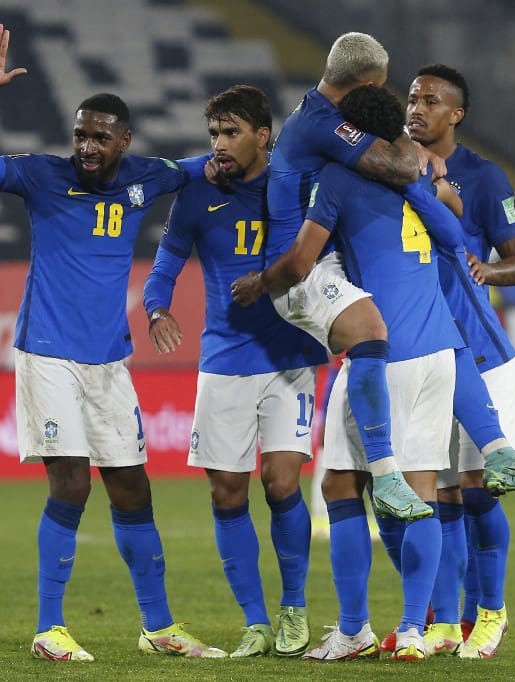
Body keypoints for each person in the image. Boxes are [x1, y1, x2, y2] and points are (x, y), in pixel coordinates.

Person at [0, 24, 224, 662]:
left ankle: (158, 628)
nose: (87, 146)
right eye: (80, 134)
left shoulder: (147, 178)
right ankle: (50, 628)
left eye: (100, 136)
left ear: (124, 141)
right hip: (47, 354)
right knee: (71, 484)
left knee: (132, 487)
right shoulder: (41, 177)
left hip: (109, 363)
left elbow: (203, 168)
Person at [245, 84, 468, 662]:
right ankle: (416, 631)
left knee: (342, 486)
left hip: (383, 350)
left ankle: (353, 630)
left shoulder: (342, 180)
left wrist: (259, 283)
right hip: (438, 352)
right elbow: (454, 237)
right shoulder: (414, 180)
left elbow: (300, 260)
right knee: (423, 491)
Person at [144, 85, 324, 658]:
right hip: (223, 359)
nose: (219, 145)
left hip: (288, 356)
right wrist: (156, 305)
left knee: (281, 483)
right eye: (214, 134)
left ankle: (293, 608)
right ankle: (255, 621)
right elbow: (168, 260)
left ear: (263, 135)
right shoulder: (198, 194)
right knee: (226, 492)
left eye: (231, 133)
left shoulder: (293, 185)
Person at [230, 32, 437, 523]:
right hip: (298, 270)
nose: (382, 98)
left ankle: (353, 474)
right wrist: (399, 129)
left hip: (324, 260)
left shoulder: (322, 116)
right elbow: (405, 167)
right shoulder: (323, 124)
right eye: (380, 89)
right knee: (370, 331)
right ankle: (388, 476)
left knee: (371, 354)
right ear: (365, 83)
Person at [406, 63, 515, 659]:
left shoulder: (482, 176)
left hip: (482, 356)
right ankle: (448, 622)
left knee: (478, 490)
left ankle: (492, 613)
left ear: (457, 115)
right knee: (442, 495)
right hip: (427, 359)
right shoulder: (391, 170)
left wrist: (483, 267)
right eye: (413, 97)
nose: (417, 107)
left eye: (432, 100)